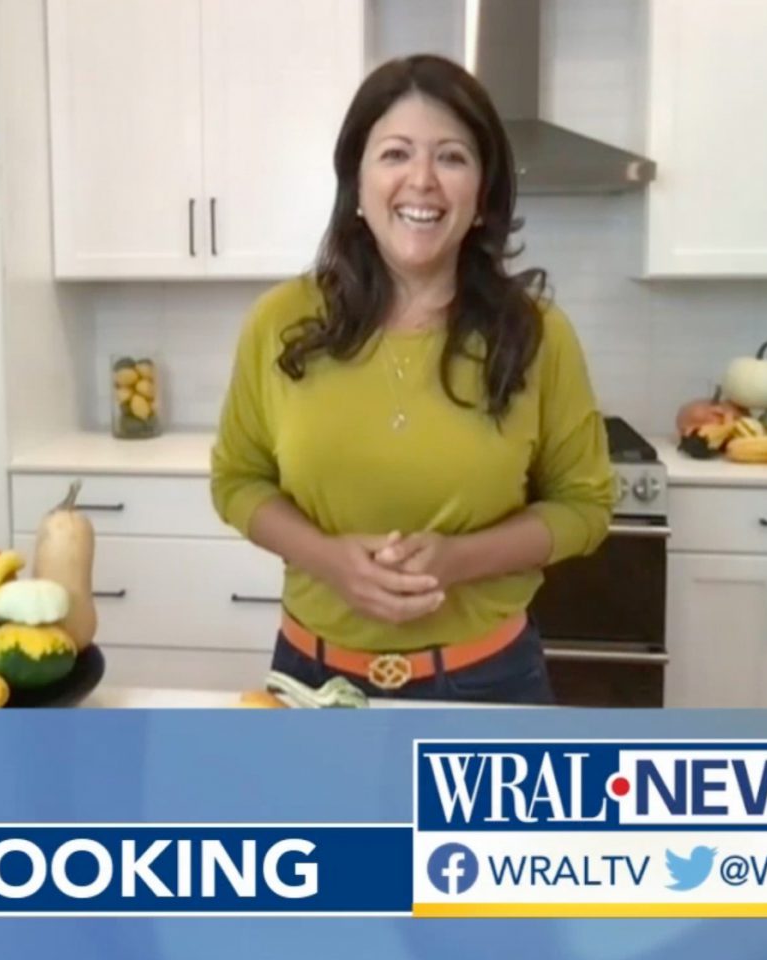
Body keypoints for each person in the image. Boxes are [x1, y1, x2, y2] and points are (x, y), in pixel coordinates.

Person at [210, 54, 614, 704]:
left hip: (490, 685)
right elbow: (236, 481)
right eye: (395, 154)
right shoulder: (279, 322)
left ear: (482, 196)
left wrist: (457, 561)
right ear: (358, 184)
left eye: (451, 157)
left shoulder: (537, 334)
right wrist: (329, 560)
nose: (421, 180)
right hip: (311, 680)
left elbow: (585, 508)